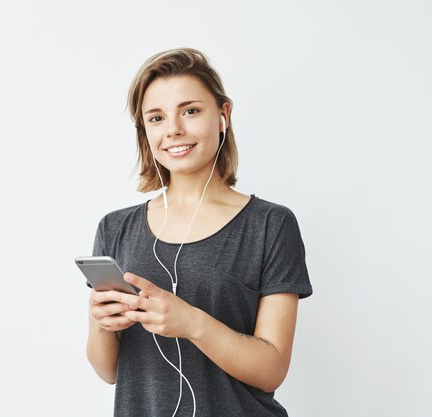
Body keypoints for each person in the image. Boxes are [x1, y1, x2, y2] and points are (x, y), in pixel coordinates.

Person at [85, 48, 313, 417]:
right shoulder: (115, 228)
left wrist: (191, 322)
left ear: (223, 115)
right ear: (145, 132)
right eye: (156, 118)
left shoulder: (270, 225)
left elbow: (272, 371)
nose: (173, 128)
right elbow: (108, 371)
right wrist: (101, 325)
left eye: (190, 111)